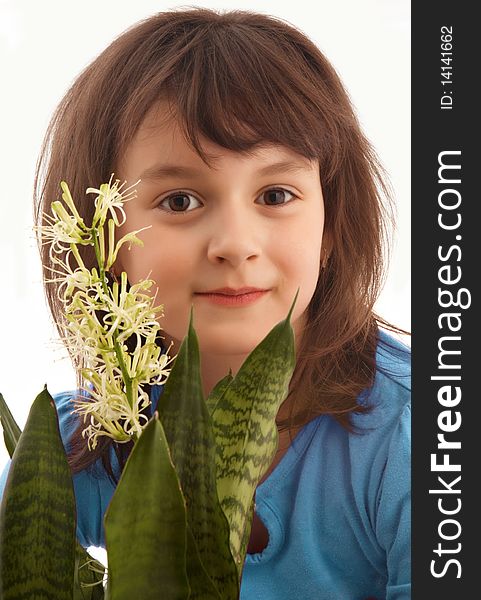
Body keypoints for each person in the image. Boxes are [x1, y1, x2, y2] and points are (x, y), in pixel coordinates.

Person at [0, 8, 410, 599]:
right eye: (180, 200)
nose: (236, 245)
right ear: (101, 240)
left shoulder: (414, 436)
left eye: (275, 194)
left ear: (330, 230)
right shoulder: (86, 444)